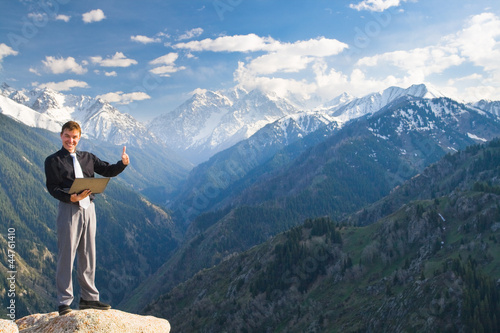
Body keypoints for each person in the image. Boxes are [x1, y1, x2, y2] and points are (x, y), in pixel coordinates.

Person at [44, 121, 130, 316]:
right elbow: (52, 187)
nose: (70, 140)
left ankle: (89, 299)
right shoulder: (53, 161)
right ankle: (64, 302)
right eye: (67, 136)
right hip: (69, 208)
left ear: (79, 138)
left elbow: (107, 170)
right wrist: (70, 197)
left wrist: (122, 164)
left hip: (89, 208)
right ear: (61, 136)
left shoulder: (88, 157)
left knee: (88, 253)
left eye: (74, 137)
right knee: (67, 254)